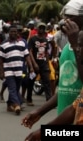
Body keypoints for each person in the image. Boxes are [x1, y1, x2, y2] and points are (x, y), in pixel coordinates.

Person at [22, 0, 83, 139]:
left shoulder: (75, 44)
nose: (65, 22)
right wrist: (40, 111)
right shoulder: (68, 47)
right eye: (64, 17)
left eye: (70, 17)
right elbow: (64, 88)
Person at [0, 25, 34, 115]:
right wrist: (1, 72)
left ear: (17, 33)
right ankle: (17, 105)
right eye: (11, 32)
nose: (13, 33)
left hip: (19, 70)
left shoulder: (22, 43)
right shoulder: (3, 44)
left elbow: (27, 56)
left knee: (16, 88)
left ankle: (9, 105)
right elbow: (0, 60)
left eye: (15, 32)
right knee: (12, 89)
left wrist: (31, 67)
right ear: (8, 33)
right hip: (9, 70)